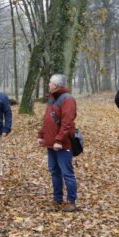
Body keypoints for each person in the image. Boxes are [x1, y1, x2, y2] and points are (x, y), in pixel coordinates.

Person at [38, 74, 79, 212]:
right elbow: (47, 119)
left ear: (55, 85)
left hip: (62, 144)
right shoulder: (52, 99)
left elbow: (67, 123)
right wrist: (42, 135)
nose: (48, 84)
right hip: (51, 143)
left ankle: (71, 202)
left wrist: (58, 140)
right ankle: (57, 199)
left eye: (50, 82)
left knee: (67, 173)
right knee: (54, 172)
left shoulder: (68, 100)